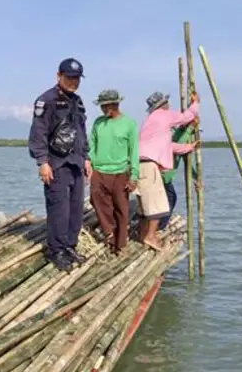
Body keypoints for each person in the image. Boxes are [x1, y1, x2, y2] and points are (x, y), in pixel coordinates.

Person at [27, 57, 92, 272]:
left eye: (77, 79)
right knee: (59, 209)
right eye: (70, 77)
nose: (74, 82)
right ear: (59, 76)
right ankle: (56, 250)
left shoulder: (78, 101)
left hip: (75, 162)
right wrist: (42, 162)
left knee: (75, 208)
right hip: (56, 163)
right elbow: (38, 134)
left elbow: (81, 133)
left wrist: (87, 158)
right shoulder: (46, 101)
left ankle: (69, 246)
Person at [136, 90, 199, 250]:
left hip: (139, 164)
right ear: (163, 105)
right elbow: (186, 117)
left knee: (145, 204)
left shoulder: (149, 121)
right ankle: (151, 236)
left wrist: (187, 147)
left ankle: (143, 235)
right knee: (158, 205)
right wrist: (195, 103)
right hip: (150, 165)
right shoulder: (163, 115)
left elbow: (168, 146)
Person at [88, 89, 139, 255]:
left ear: (114, 105)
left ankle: (121, 244)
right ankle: (109, 231)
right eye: (102, 106)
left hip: (120, 171)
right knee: (96, 198)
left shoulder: (129, 124)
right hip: (100, 170)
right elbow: (92, 144)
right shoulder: (98, 123)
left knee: (121, 208)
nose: (103, 109)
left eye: (105, 106)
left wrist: (134, 175)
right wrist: (90, 162)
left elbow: (134, 152)